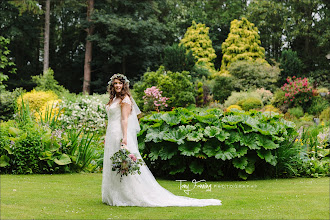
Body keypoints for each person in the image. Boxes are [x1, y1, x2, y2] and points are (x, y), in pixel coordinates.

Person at [102, 73, 222, 207]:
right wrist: (107, 135)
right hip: (111, 134)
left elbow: (124, 119)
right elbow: (111, 119)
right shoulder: (113, 99)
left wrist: (124, 137)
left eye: (120, 83)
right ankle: (113, 194)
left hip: (120, 134)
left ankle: (128, 194)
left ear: (124, 85)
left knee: (125, 165)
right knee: (114, 163)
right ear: (112, 85)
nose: (118, 85)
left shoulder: (125, 100)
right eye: (115, 83)